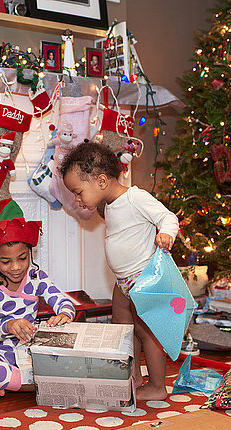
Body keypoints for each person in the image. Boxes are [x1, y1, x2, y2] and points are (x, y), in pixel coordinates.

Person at [59, 141, 179, 401]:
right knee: (123, 329)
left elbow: (167, 217)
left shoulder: (136, 198)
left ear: (101, 181)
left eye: (78, 192)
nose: (77, 199)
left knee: (147, 332)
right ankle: (134, 377)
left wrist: (166, 233)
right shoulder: (108, 205)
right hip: (123, 281)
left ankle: (157, 386)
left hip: (143, 278)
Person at [0, 198, 76, 400]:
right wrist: (7, 326)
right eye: (6, 261)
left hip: (30, 351)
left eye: (22, 258)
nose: (15, 267)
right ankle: (33, 386)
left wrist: (65, 314)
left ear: (30, 253)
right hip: (0, 353)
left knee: (73, 354)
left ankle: (12, 383)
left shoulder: (36, 277)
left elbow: (63, 301)